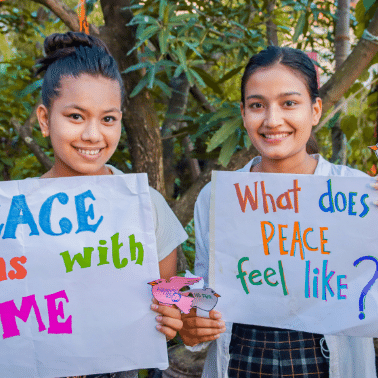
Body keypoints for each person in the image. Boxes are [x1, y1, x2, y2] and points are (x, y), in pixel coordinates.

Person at [179, 46, 378, 378]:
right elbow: (205, 290)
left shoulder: (359, 194)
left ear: (315, 110)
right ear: (243, 113)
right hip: (241, 363)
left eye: (289, 103)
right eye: (257, 105)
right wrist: (191, 322)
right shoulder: (217, 198)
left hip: (326, 366)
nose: (272, 120)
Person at [34, 31, 188, 378]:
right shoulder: (14, 214)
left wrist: (181, 312)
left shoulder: (145, 203)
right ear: (45, 119)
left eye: (108, 119)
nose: (93, 135)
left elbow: (169, 289)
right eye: (75, 116)